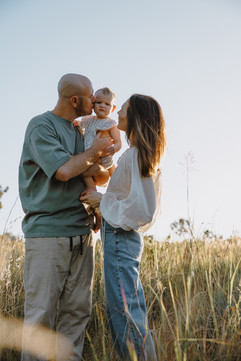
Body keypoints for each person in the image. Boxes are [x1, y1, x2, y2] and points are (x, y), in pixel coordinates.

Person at [18, 73, 113, 361]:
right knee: (41, 315)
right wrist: (91, 157)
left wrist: (90, 164)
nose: (96, 102)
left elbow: (103, 175)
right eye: (90, 98)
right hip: (48, 233)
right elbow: (62, 171)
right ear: (75, 101)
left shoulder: (85, 131)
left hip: (84, 235)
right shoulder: (41, 126)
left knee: (77, 313)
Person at [80, 94, 166, 360]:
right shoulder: (134, 155)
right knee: (125, 310)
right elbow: (128, 196)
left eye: (124, 111)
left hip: (121, 238)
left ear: (136, 117)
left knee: (124, 313)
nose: (118, 115)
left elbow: (142, 210)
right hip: (119, 237)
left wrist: (101, 200)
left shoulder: (139, 155)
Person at [74, 87, 121, 232]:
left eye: (107, 104)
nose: (102, 106)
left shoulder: (110, 124)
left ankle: (109, 197)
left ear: (112, 108)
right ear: (93, 104)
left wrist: (116, 148)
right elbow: (81, 129)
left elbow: (119, 142)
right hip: (89, 155)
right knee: (85, 172)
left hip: (104, 159)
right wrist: (77, 125)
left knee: (115, 178)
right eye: (99, 102)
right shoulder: (87, 120)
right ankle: (97, 211)